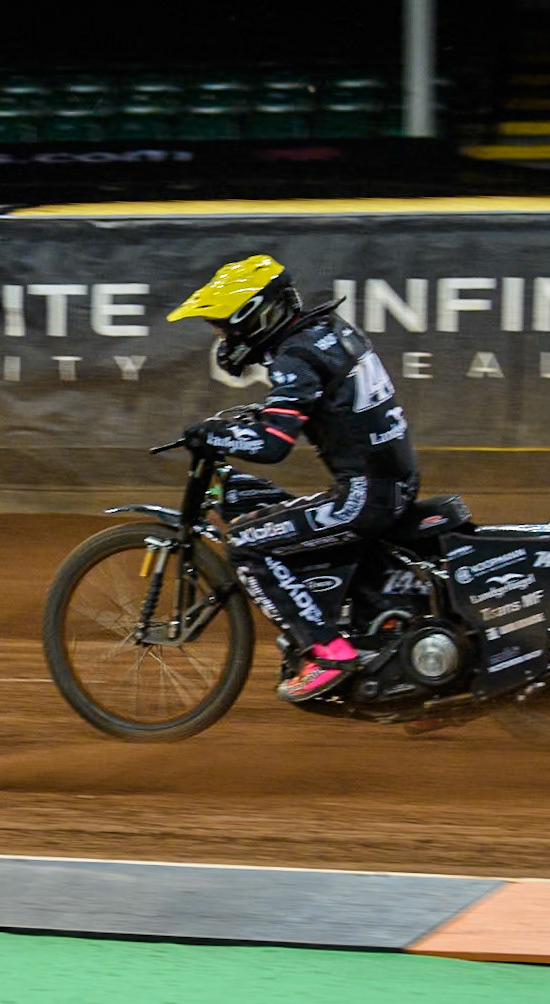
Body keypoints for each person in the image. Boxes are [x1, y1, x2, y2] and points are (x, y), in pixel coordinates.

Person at [167, 254, 420, 703]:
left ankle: (328, 652)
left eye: (224, 327)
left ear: (253, 318)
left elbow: (273, 444)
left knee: (247, 542)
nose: (223, 339)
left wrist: (217, 435)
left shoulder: (296, 356)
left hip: (366, 495)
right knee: (274, 515)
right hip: (388, 483)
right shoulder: (327, 331)